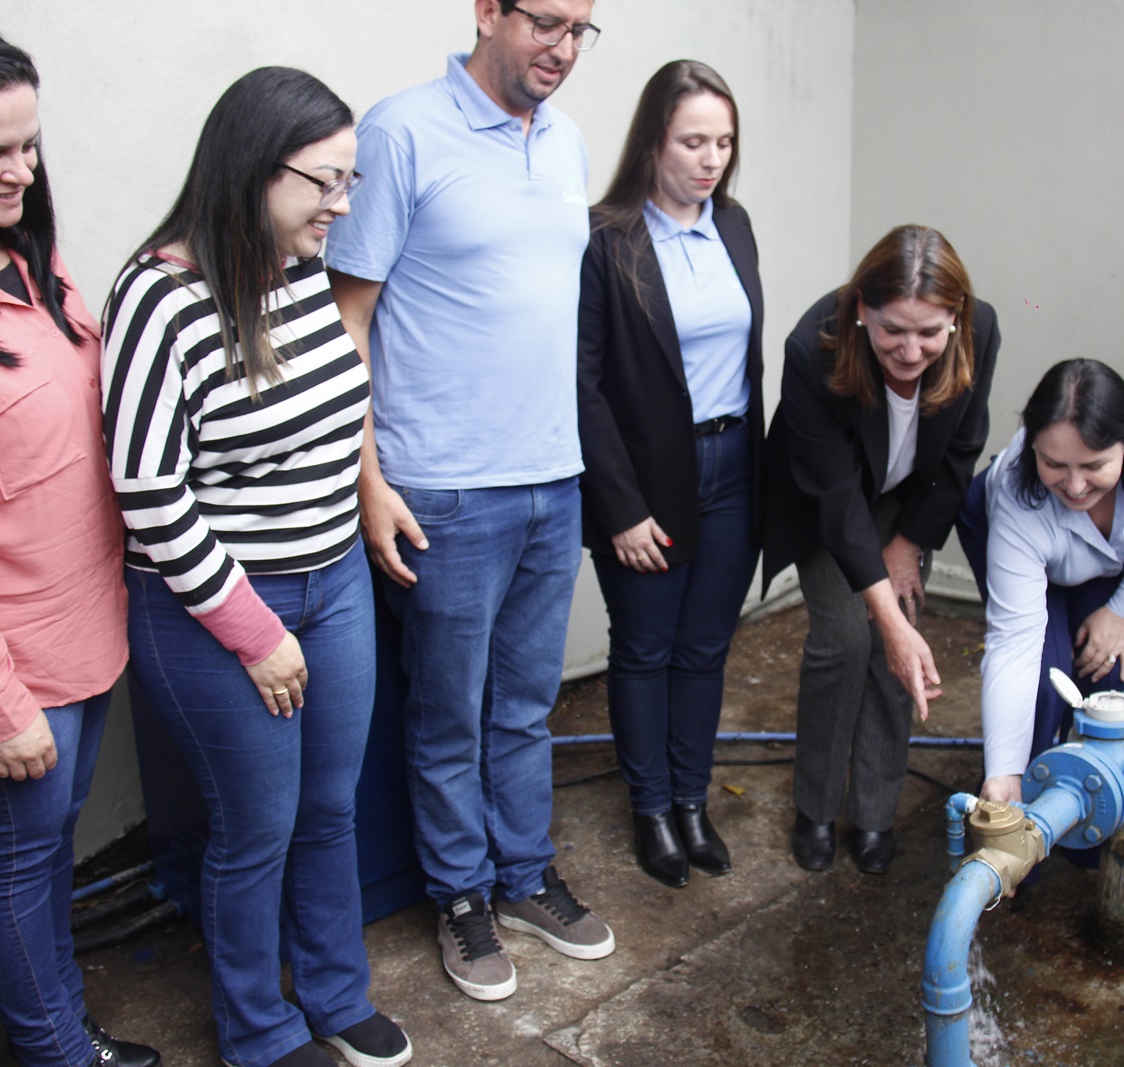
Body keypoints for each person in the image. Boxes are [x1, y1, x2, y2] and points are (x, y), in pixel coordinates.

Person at [102, 68, 410, 1067]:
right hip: (221, 608)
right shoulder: (158, 294)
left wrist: (365, 498)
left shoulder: (297, 267)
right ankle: (256, 1026)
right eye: (325, 180)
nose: (343, 204)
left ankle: (332, 990)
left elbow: (330, 413)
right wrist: (255, 630)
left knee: (330, 807)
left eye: (349, 179)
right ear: (251, 167)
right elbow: (148, 489)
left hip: (333, 584)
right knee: (256, 826)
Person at [325, 0, 613, 1005]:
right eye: (545, 21)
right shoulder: (401, 132)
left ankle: (524, 869)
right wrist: (369, 480)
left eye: (581, 29)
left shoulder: (569, 140)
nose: (563, 48)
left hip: (551, 475)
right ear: (487, 10)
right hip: (442, 487)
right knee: (448, 710)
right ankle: (460, 893)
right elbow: (347, 319)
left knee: (526, 705)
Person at [0, 12, 159, 1067]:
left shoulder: (26, 260)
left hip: (82, 639)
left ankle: (63, 1034)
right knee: (17, 867)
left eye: (28, 145)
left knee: (45, 855)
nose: (19, 170)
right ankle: (58, 1051)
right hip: (1, 668)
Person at [577, 60, 764, 889]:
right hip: (650, 476)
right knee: (646, 646)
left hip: (734, 467)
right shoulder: (608, 239)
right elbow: (579, 382)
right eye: (693, 140)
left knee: (704, 647)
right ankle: (651, 807)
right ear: (653, 141)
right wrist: (618, 505)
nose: (710, 158)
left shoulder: (736, 224)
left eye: (723, 141)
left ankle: (693, 799)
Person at [762, 225, 998, 875]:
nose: (911, 348)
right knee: (848, 638)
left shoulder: (981, 329)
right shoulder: (814, 346)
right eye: (894, 329)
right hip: (825, 497)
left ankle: (873, 812)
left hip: (905, 501)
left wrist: (909, 542)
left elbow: (959, 453)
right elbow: (836, 500)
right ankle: (815, 806)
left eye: (930, 332)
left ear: (955, 317)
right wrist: (886, 618)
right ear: (863, 307)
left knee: (902, 655)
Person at [969, 360, 1124, 805]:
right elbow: (1014, 640)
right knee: (1045, 676)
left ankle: (1094, 829)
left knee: (1114, 679)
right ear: (1032, 449)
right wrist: (1004, 771)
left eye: (1094, 465)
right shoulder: (1018, 495)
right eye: (1054, 463)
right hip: (1026, 550)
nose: (1076, 485)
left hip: (1108, 564)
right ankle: (1018, 826)